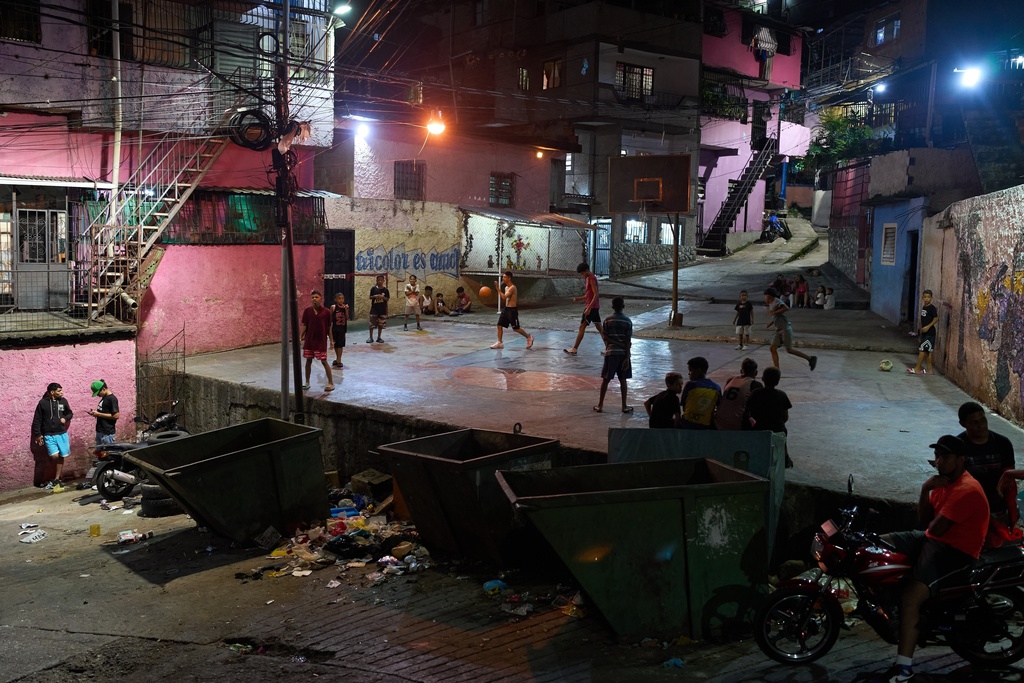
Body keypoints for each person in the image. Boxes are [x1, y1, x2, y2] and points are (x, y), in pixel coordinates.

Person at [877, 435, 988, 683]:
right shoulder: (943, 483)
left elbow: (935, 530)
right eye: (937, 456)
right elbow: (924, 521)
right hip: (933, 539)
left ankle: (904, 669)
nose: (939, 462)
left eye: (945, 457)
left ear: (961, 460)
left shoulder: (965, 489)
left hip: (954, 552)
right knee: (878, 544)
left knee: (910, 599)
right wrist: (925, 488)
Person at [956, 401, 1015, 523]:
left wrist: (1012, 513)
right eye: (974, 423)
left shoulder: (1002, 443)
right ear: (963, 424)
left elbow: (1010, 481)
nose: (981, 425)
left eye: (983, 420)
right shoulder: (958, 446)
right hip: (969, 508)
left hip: (997, 507)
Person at [745, 366, 794, 468]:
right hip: (777, 428)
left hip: (760, 427)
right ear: (778, 381)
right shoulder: (782, 395)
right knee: (782, 432)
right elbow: (785, 416)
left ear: (762, 378)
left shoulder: (756, 393)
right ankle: (785, 457)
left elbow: (751, 411)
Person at [593, 297, 632, 413]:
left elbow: (605, 337)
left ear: (612, 307)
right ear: (623, 307)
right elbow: (628, 341)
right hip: (623, 353)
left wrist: (615, 343)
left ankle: (600, 405)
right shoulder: (627, 321)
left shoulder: (607, 321)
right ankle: (624, 406)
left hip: (610, 353)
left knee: (606, 380)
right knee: (623, 380)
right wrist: (627, 357)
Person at [764, 287, 817, 371]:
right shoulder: (771, 303)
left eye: (765, 296)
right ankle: (776, 369)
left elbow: (786, 308)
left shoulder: (776, 301)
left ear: (769, 296)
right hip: (778, 330)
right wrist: (771, 322)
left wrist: (774, 312)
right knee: (772, 348)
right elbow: (777, 316)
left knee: (789, 350)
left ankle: (810, 358)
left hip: (785, 328)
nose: (764, 298)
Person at [31, 382, 73, 489]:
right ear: (52, 392)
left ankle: (57, 478)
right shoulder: (42, 403)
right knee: (55, 456)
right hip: (48, 434)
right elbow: (37, 420)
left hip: (61, 433)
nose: (61, 392)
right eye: (59, 391)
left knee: (62, 456)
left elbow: (70, 413)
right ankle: (50, 477)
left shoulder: (63, 401)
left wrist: (66, 418)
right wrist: (38, 434)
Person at [564, 262, 604, 355]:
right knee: (599, 327)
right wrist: (579, 298)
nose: (582, 275)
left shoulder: (591, 278)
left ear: (586, 270)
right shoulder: (588, 278)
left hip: (591, 307)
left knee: (582, 326)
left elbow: (596, 295)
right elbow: (588, 295)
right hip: (594, 307)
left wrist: (589, 308)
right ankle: (608, 347)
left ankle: (574, 348)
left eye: (582, 273)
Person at [300, 290, 334, 392]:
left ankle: (331, 383)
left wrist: (331, 340)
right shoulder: (307, 311)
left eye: (316, 297)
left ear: (321, 299)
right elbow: (305, 325)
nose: (314, 299)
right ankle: (307, 382)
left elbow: (329, 328)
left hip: (321, 341)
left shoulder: (326, 312)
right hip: (309, 340)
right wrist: (300, 336)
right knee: (308, 361)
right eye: (313, 297)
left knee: (324, 361)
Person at [491, 271, 534, 350]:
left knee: (516, 328)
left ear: (509, 278)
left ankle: (529, 337)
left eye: (504, 277)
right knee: (499, 325)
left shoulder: (513, 287)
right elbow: (505, 299)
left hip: (512, 310)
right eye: (503, 277)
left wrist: (497, 289)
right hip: (506, 309)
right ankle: (499, 343)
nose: (503, 278)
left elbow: (504, 297)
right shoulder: (506, 287)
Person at [716, 358, 763, 431]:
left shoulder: (730, 380)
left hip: (719, 421)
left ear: (741, 371)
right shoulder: (755, 384)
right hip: (737, 424)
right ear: (756, 373)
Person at [679, 356, 721, 429]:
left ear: (698, 371)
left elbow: (684, 406)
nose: (689, 373)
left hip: (687, 424)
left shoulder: (690, 385)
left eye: (690, 371)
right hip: (706, 426)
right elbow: (719, 406)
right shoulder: (716, 387)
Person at [908, 289, 938, 375]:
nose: (926, 299)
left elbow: (936, 318)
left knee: (922, 350)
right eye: (925, 297)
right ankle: (929, 370)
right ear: (922, 298)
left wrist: (928, 327)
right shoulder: (924, 307)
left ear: (931, 298)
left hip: (930, 333)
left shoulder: (932, 308)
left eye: (928, 297)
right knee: (927, 351)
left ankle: (917, 369)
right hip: (925, 333)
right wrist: (921, 328)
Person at [87, 380, 119, 445]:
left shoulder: (112, 399)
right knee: (100, 453)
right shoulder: (104, 398)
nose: (98, 395)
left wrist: (99, 414)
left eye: (98, 393)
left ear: (104, 389)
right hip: (100, 431)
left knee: (108, 453)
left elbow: (116, 416)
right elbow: (104, 412)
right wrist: (95, 413)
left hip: (107, 433)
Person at [367, 275, 389, 344]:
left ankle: (379, 337)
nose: (380, 281)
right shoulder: (373, 289)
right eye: (378, 280)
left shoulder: (385, 290)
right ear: (376, 281)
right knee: (372, 324)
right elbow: (370, 297)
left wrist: (382, 297)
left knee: (380, 324)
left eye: (381, 280)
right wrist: (375, 296)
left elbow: (387, 299)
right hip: (374, 309)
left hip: (382, 309)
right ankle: (370, 337)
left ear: (383, 281)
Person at [330, 292, 349, 368]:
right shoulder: (333, 307)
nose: (341, 300)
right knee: (335, 344)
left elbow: (347, 317)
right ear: (336, 299)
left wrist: (347, 310)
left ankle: (339, 360)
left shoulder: (345, 307)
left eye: (342, 298)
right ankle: (337, 358)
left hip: (342, 329)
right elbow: (330, 317)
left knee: (340, 345)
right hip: (335, 329)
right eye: (339, 299)